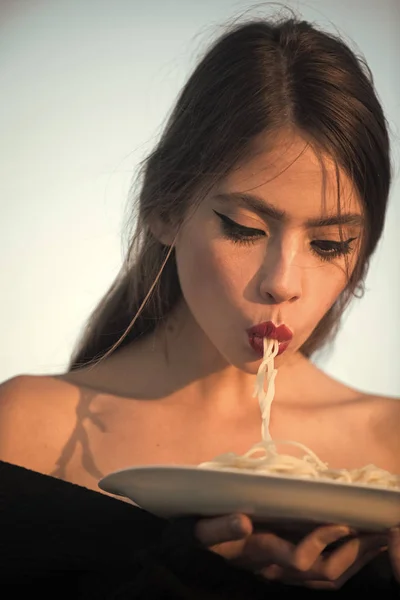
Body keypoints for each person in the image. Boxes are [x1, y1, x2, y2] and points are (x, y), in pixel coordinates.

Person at [0, 13, 399, 593]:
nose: (282, 283)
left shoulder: (390, 445)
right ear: (164, 207)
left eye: (329, 244)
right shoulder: (26, 429)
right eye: (243, 227)